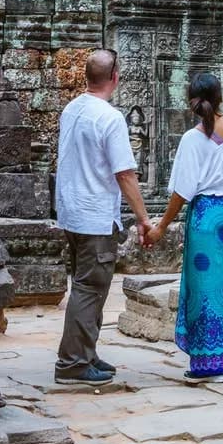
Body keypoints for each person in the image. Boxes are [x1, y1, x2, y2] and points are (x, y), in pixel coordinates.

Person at [146, 71, 223, 383]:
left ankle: (207, 364)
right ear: (220, 97)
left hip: (206, 218)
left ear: (192, 102)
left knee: (204, 289)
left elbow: (182, 191)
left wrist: (161, 227)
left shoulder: (193, 139)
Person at [53, 49, 154, 384]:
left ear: (86, 77)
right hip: (94, 214)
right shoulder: (109, 117)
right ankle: (72, 364)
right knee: (89, 288)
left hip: (71, 210)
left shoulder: (71, 109)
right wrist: (143, 218)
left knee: (87, 285)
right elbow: (125, 173)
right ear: (115, 77)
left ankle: (85, 352)